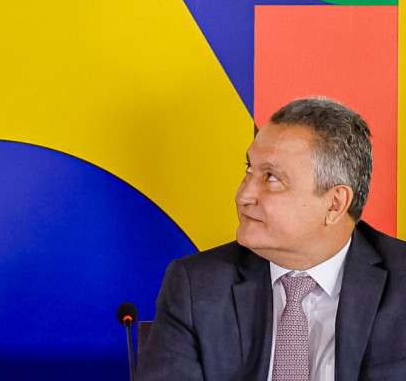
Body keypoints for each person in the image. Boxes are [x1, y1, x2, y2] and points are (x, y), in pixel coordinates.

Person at [138, 97, 406, 381]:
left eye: (272, 178)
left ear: (334, 204)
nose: (243, 196)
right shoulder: (198, 286)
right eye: (249, 170)